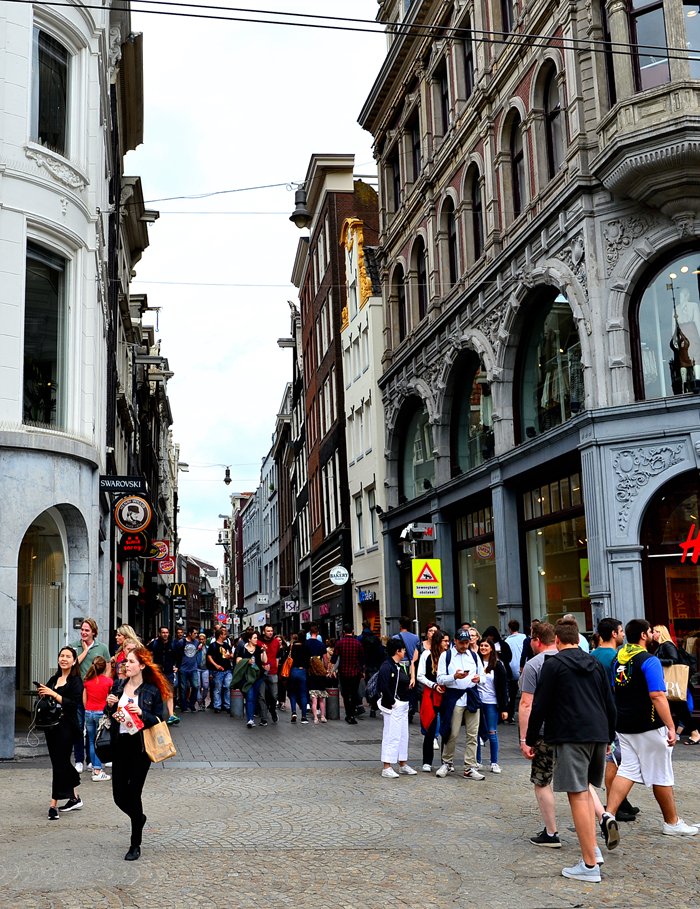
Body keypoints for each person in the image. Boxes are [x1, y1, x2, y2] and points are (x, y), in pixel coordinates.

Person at [525, 618, 616, 883]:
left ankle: (589, 866)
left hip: (571, 734)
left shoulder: (553, 664)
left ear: (557, 641)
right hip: (598, 733)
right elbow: (609, 702)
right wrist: (610, 736)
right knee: (586, 792)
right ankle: (593, 851)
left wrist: (530, 738)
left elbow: (540, 705)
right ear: (578, 639)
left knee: (577, 795)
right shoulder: (595, 663)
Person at [605, 618, 698, 840]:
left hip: (624, 724)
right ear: (643, 635)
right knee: (662, 774)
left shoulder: (619, 659)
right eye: (649, 631)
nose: (652, 634)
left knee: (627, 770)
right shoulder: (649, 660)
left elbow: (616, 689)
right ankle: (672, 822)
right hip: (649, 724)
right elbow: (657, 695)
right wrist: (671, 726)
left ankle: (608, 815)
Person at [106, 647, 170, 861]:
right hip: (120, 745)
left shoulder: (151, 691)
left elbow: (160, 719)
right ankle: (138, 817)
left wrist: (142, 713)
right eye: (126, 661)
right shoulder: (118, 686)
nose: (127, 665)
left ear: (142, 665)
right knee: (118, 796)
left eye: (131, 661)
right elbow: (110, 715)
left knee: (134, 795)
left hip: (140, 748)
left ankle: (135, 844)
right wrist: (110, 706)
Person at [591, 617, 639, 821]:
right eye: (621, 631)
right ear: (613, 634)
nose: (623, 634)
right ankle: (614, 805)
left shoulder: (592, 655)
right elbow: (618, 687)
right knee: (615, 760)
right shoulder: (616, 658)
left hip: (597, 711)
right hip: (613, 712)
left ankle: (621, 801)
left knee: (618, 759)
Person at [519, 621, 561, 847]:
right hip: (572, 730)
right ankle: (603, 817)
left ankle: (551, 833)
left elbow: (526, 704)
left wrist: (525, 738)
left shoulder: (534, 665)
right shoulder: (572, 659)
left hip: (545, 732)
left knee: (542, 780)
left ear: (536, 641)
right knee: (582, 782)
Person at [38, 646, 84, 819]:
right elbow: (49, 699)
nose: (64, 659)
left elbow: (73, 704)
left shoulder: (76, 681)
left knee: (59, 763)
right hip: (51, 726)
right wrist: (44, 694)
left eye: (68, 656)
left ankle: (53, 805)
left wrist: (53, 694)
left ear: (74, 661)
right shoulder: (54, 679)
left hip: (67, 727)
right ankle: (75, 797)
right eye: (62, 656)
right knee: (60, 762)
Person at [435, 628, 485, 780]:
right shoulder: (447, 656)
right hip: (454, 697)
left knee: (473, 734)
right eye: (462, 643)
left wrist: (479, 679)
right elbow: (440, 678)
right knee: (452, 732)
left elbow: (483, 677)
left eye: (467, 643)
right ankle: (447, 762)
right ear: (455, 641)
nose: (464, 646)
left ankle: (470, 766)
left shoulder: (474, 656)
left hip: (471, 696)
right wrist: (454, 676)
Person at [68, 618, 111, 773]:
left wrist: (104, 685)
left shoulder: (102, 647)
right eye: (82, 629)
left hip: (96, 694)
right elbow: (72, 665)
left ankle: (91, 761)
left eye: (87, 630)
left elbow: (108, 668)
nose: (83, 632)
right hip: (78, 692)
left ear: (94, 632)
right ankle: (79, 760)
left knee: (93, 730)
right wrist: (85, 651)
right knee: (79, 727)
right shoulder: (74, 646)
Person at [653, 624, 700, 744]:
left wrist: (656, 660)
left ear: (660, 633)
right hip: (670, 685)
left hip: (672, 684)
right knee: (676, 710)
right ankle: (688, 733)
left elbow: (674, 660)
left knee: (681, 711)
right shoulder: (662, 646)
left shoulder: (667, 645)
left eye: (655, 631)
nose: (653, 634)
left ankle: (695, 733)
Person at [379, 639, 417, 777]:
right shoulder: (387, 666)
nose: (405, 652)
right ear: (397, 651)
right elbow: (383, 686)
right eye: (403, 649)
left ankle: (402, 763)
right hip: (394, 706)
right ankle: (387, 766)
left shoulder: (397, 665)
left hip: (403, 704)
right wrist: (393, 702)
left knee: (402, 735)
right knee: (391, 735)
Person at [417, 630, 449, 772]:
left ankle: (446, 761)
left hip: (446, 694)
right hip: (431, 694)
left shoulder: (449, 656)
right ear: (438, 641)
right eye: (445, 640)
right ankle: (427, 761)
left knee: (446, 729)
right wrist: (433, 685)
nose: (447, 643)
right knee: (430, 728)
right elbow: (420, 675)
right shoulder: (426, 655)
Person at [478, 638, 509, 773]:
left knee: (492, 731)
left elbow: (503, 687)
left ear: (491, 648)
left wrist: (504, 708)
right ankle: (477, 761)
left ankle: (494, 762)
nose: (483, 648)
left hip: (492, 702)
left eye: (486, 645)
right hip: (478, 701)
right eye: (481, 645)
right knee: (476, 733)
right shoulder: (476, 662)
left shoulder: (498, 665)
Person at [83, 656, 113, 781]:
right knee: (100, 741)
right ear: (104, 667)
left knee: (91, 741)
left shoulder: (87, 681)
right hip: (101, 712)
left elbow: (84, 700)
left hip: (89, 711)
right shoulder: (108, 681)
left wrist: (88, 709)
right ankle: (97, 770)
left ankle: (93, 765)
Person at [332, 624, 365, 725]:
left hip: (343, 673)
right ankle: (352, 715)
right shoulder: (358, 643)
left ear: (344, 632)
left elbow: (334, 658)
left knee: (345, 694)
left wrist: (332, 670)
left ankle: (348, 714)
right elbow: (362, 659)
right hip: (355, 673)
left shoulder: (339, 643)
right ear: (353, 631)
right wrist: (363, 671)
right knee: (354, 693)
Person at [148, 626, 179, 725]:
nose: (165, 634)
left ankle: (171, 716)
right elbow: (146, 654)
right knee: (156, 693)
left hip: (169, 672)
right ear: (159, 634)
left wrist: (177, 667)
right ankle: (156, 714)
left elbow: (179, 656)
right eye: (163, 632)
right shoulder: (154, 644)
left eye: (166, 632)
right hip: (157, 673)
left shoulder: (173, 644)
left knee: (170, 694)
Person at [236, 629, 266, 728]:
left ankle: (251, 717)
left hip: (258, 676)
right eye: (255, 638)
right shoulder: (243, 649)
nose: (257, 640)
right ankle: (250, 719)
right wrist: (247, 661)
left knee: (254, 697)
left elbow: (264, 660)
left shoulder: (259, 649)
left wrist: (264, 651)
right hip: (247, 677)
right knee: (249, 697)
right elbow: (238, 661)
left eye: (257, 638)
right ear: (249, 639)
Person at [393, 616, 420, 721]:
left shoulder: (395, 638)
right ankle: (411, 707)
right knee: (411, 687)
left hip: (400, 665)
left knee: (400, 687)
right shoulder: (416, 638)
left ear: (400, 625)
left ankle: (402, 707)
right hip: (411, 665)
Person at [358, 621, 385, 715]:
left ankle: (361, 705)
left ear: (362, 627)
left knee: (362, 686)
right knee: (373, 686)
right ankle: (373, 706)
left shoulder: (360, 638)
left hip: (363, 665)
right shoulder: (376, 638)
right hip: (374, 665)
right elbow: (381, 652)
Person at [257, 625, 280, 723]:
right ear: (263, 632)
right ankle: (263, 717)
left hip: (273, 672)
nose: (270, 633)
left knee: (274, 695)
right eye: (268, 631)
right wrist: (262, 666)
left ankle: (273, 709)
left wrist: (276, 665)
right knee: (261, 696)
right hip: (261, 673)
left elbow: (278, 655)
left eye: (271, 631)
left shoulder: (276, 642)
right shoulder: (258, 643)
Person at [208, 628, 234, 714]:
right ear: (220, 635)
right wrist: (216, 665)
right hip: (218, 670)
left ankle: (227, 705)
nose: (226, 636)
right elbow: (209, 657)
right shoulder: (213, 645)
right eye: (224, 634)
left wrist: (230, 656)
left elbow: (231, 654)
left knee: (227, 687)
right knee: (217, 688)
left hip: (227, 669)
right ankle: (217, 706)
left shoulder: (226, 645)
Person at [505, 619, 526, 722]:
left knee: (512, 694)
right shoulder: (524, 638)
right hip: (524, 669)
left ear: (509, 629)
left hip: (512, 669)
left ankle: (510, 715)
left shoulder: (507, 641)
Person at [287, 633, 311, 723]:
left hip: (292, 671)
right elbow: (308, 663)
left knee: (293, 693)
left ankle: (294, 712)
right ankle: (304, 716)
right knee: (303, 694)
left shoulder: (292, 647)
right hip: (302, 671)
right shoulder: (306, 648)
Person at [196, 632, 210, 710]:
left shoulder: (208, 648)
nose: (201, 641)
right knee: (198, 685)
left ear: (205, 640)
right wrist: (197, 650)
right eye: (200, 639)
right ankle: (199, 702)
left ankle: (203, 698)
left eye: (203, 639)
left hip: (205, 668)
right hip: (197, 668)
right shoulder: (197, 647)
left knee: (205, 686)